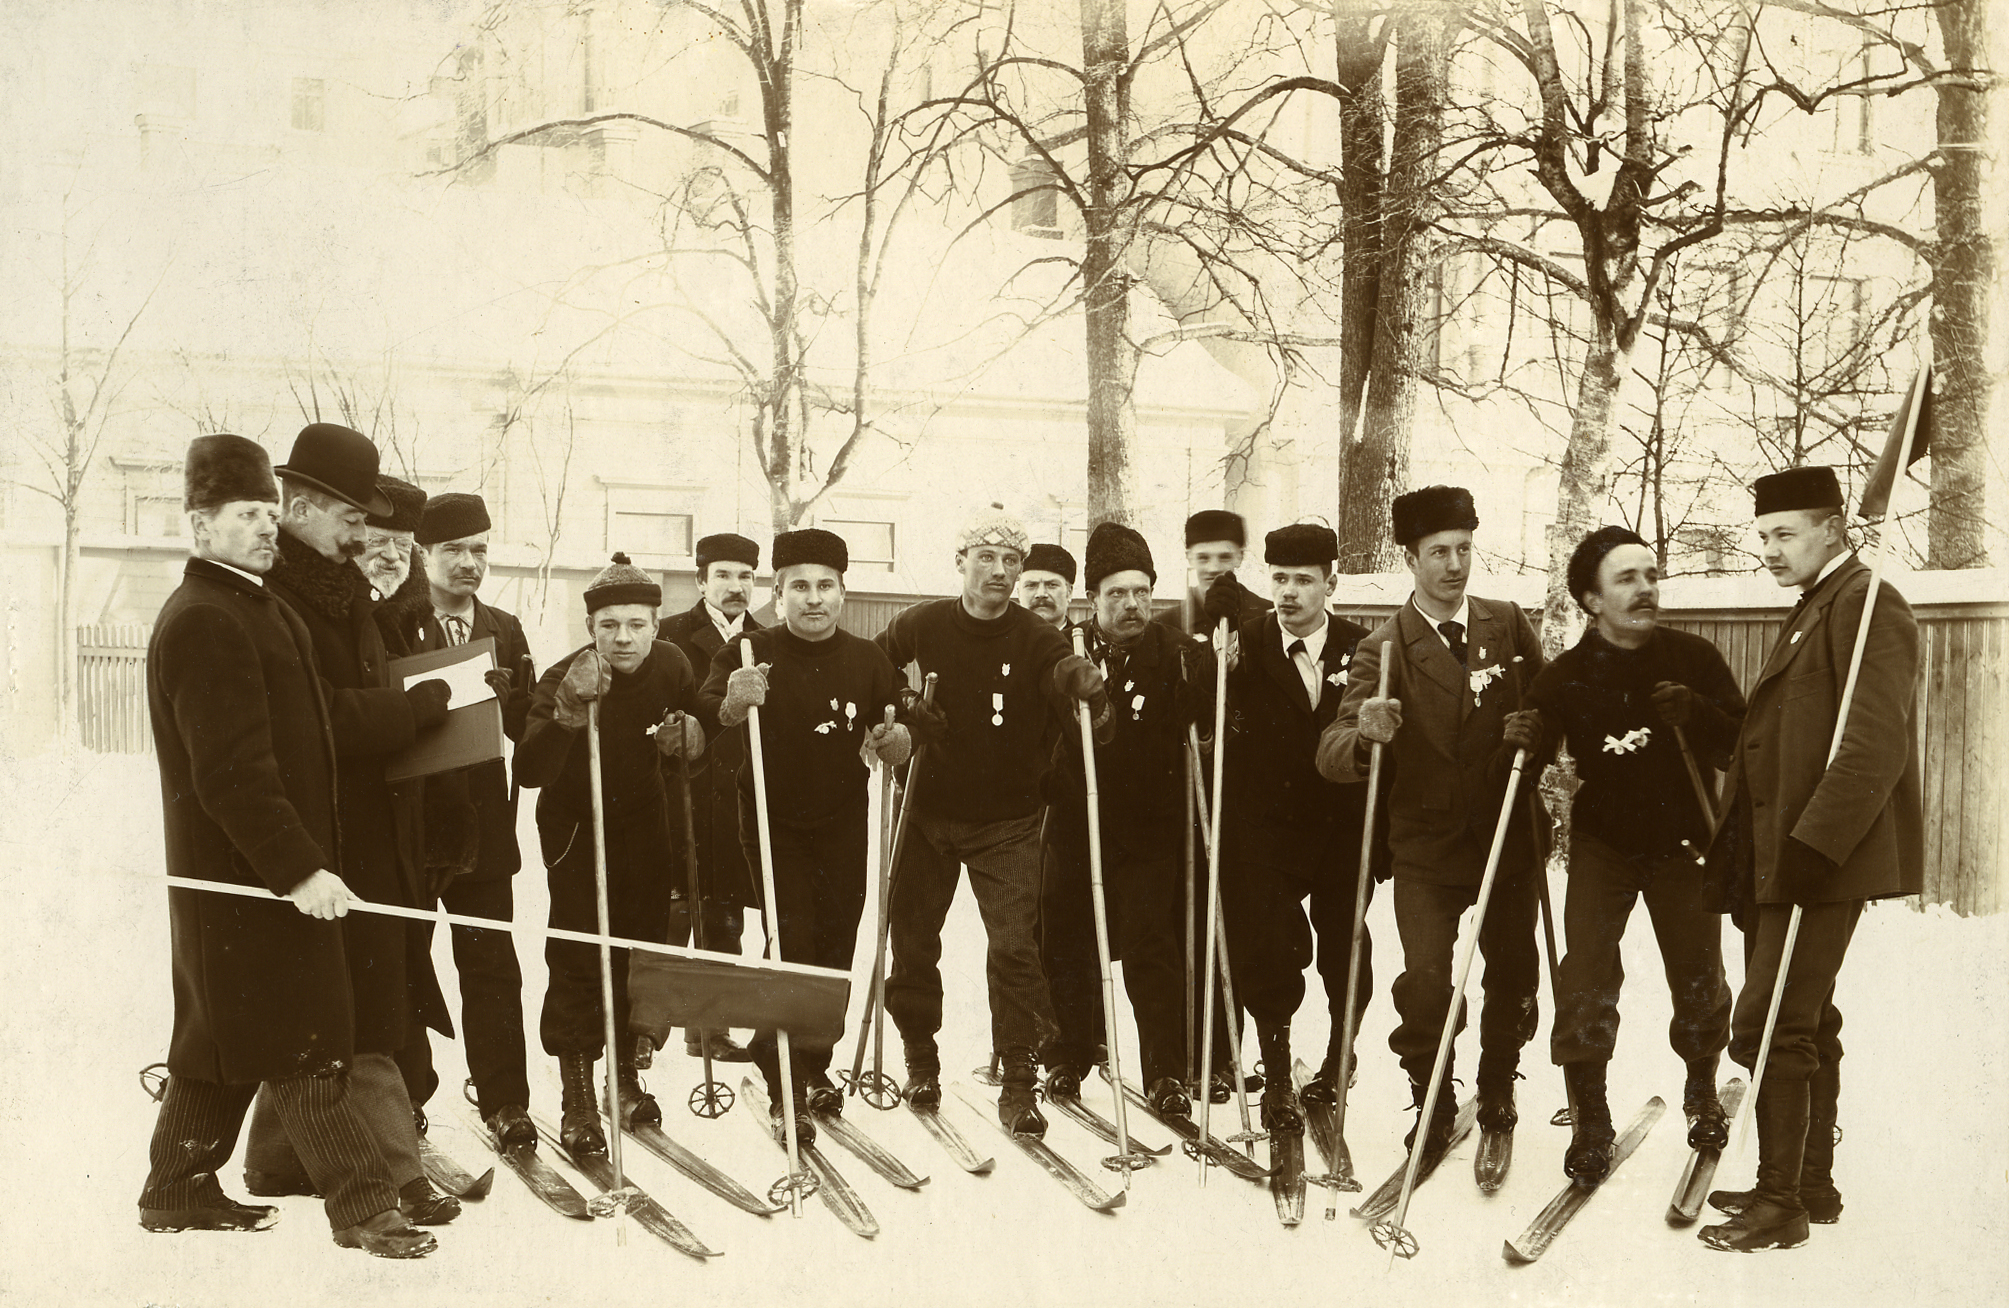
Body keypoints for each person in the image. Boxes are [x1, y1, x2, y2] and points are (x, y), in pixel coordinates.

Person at [137, 433, 433, 1258]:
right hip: (248, 876)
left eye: (270, 513)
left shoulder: (254, 606)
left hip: (257, 872)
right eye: (246, 515)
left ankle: (177, 1185)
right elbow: (232, 773)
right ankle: (365, 1208)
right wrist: (298, 867)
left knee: (219, 1033)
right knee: (304, 1035)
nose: (267, 529)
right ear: (200, 526)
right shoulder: (204, 618)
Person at [1697, 466, 1922, 1253]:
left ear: (1835, 528)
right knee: (1805, 1019)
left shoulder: (1865, 606)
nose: (1768, 549)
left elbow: (1873, 743)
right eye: (1762, 535)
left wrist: (1813, 847)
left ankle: (1779, 1201)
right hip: (1777, 858)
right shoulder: (1818, 608)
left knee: (1768, 1022)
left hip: (1816, 861)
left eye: (1783, 533)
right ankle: (1811, 1185)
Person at [254, 425, 459, 1227]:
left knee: (342, 989)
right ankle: (394, 1172)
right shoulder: (279, 600)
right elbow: (314, 718)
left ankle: (276, 1159)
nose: (360, 534)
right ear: (301, 506)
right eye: (350, 517)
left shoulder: (340, 590)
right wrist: (409, 710)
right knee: (358, 994)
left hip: (371, 821)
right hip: (317, 829)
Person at [1320, 486, 1547, 1156]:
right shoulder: (1383, 648)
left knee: (1511, 974)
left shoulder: (1505, 624)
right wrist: (1364, 731)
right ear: (1410, 559)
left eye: (1463, 549)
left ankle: (1498, 1087)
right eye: (1437, 552)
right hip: (1426, 844)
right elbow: (1332, 751)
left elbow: (1551, 706)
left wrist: (1537, 731)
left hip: (1506, 832)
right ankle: (1431, 1093)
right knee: (1424, 984)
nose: (1453, 564)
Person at [876, 502, 1112, 1135]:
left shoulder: (1040, 639)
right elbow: (874, 676)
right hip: (924, 811)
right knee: (915, 940)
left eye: (1012, 561)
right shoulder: (920, 626)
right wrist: (902, 707)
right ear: (961, 563)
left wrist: (1086, 690)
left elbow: (1090, 728)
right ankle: (919, 1059)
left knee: (1013, 950)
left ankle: (1018, 1080)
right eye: (987, 559)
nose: (1001, 572)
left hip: (1008, 821)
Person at [1524, 525, 1743, 1186]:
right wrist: (1522, 737)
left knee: (1697, 971)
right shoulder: (1564, 675)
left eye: (1649, 575)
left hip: (1683, 842)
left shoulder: (1692, 657)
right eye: (1626, 578)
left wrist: (1697, 713)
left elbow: (1738, 742)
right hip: (1603, 844)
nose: (1645, 588)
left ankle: (1702, 1090)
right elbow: (1520, 761)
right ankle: (1589, 1118)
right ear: (1590, 599)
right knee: (1585, 971)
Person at [697, 528, 911, 1142]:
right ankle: (786, 1076)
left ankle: (809, 1061)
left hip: (842, 819)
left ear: (843, 591)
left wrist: (897, 740)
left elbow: (895, 717)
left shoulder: (868, 657)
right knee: (792, 940)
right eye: (798, 587)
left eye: (825, 586)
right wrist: (734, 703)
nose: (812, 599)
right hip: (772, 820)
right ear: (778, 592)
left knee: (837, 943)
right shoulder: (748, 649)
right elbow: (710, 708)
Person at [515, 553, 708, 1155]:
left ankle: (621, 1078)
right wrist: (568, 713)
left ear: (656, 624)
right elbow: (528, 768)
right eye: (608, 626)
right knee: (578, 950)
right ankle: (576, 1093)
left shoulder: (673, 663)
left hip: (644, 823)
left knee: (637, 949)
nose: (622, 638)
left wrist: (695, 735)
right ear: (590, 628)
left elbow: (694, 721)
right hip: (578, 825)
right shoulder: (563, 674)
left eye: (636, 625)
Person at [1205, 523, 1373, 1131]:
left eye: (1304, 580)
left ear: (1331, 583)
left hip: (1340, 827)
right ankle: (1276, 1075)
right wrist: (1208, 653)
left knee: (1343, 947)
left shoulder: (1365, 647)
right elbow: (1199, 708)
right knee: (1267, 951)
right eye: (1279, 579)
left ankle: (1338, 1055)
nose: (1290, 593)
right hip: (1263, 830)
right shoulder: (1240, 643)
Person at [1039, 523, 1211, 1116]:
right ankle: (1069, 1055)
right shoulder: (1066, 651)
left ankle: (1165, 1070)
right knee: (1069, 942)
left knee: (1150, 946)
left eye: (1141, 592)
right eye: (1116, 594)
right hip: (1074, 825)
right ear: (1092, 599)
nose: (1131, 605)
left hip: (1150, 828)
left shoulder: (1178, 654)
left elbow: (1206, 724)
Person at [391, 491, 540, 1150]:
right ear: (423, 552)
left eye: (479, 550)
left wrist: (531, 709)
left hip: (482, 833)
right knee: (403, 970)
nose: (469, 563)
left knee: (491, 969)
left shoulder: (503, 627)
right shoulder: (389, 621)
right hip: (411, 832)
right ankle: (404, 1097)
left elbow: (526, 731)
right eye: (453, 550)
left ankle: (505, 1100)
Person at [657, 532, 763, 1065]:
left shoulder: (767, 640)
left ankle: (711, 1027)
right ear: (701, 580)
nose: (735, 586)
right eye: (723, 575)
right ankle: (646, 1030)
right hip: (678, 793)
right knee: (672, 908)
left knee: (724, 911)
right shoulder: (669, 635)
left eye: (745, 576)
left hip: (735, 798)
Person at [1159, 509, 1271, 635]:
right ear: (1189, 557)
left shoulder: (1267, 618)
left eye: (1225, 557)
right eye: (1203, 558)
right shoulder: (1165, 627)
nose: (1213, 568)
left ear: (1240, 557)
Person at [1016, 543, 1077, 630]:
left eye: (1052, 585)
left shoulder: (1084, 642)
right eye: (1031, 585)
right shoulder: (1002, 642)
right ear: (1019, 593)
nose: (1041, 594)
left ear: (1069, 592)